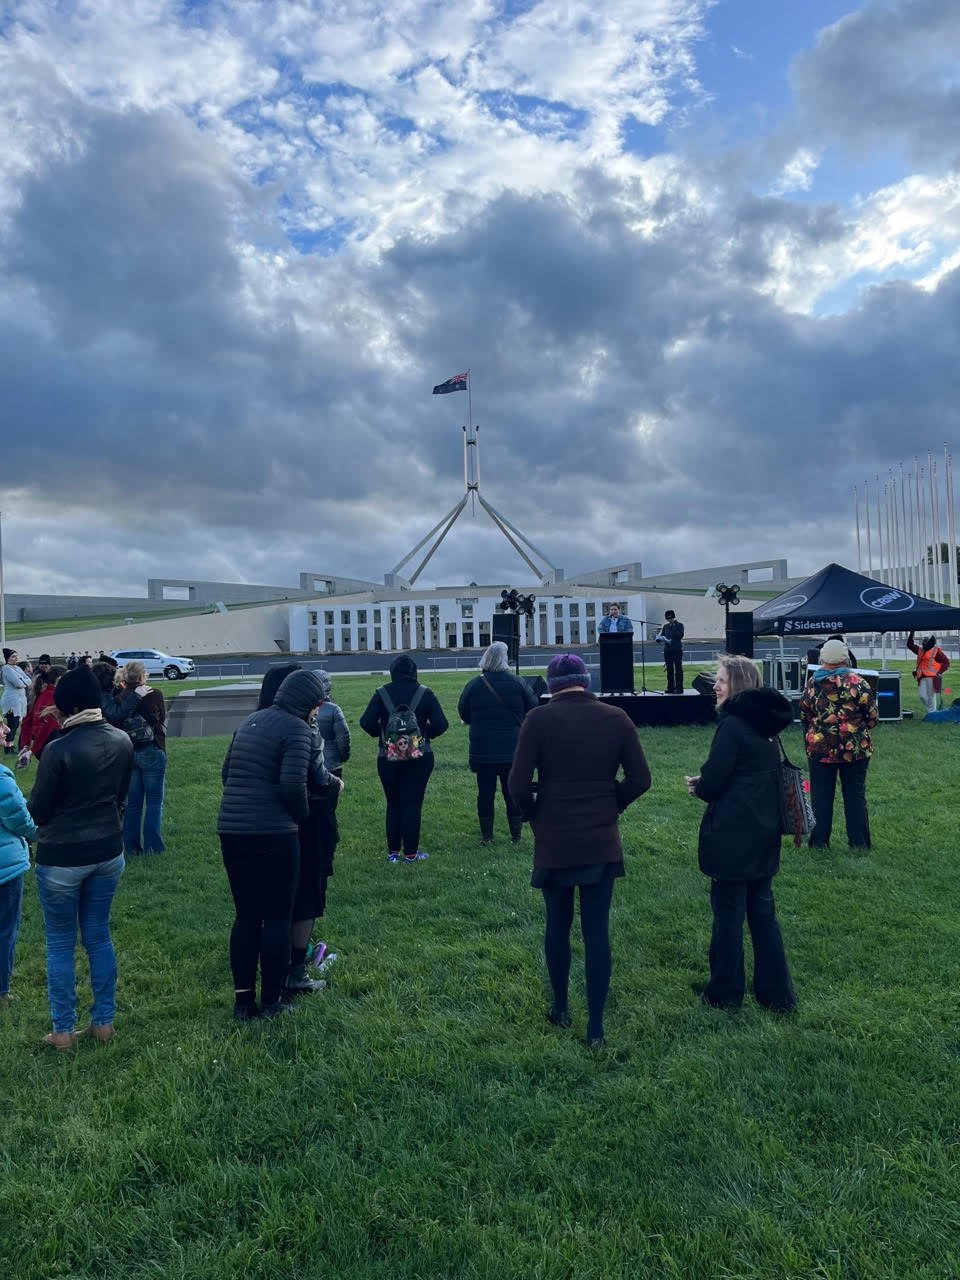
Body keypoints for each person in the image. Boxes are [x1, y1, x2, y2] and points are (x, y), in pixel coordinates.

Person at [508, 653, 651, 1048]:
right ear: (585, 681)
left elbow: (517, 784)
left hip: (555, 835)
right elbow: (641, 778)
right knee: (596, 930)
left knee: (557, 924)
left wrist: (534, 816)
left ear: (552, 686)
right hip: (601, 838)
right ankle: (596, 1028)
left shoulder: (538, 720)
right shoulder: (616, 718)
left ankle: (560, 1007)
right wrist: (613, 802)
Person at [29, 665, 133, 1050]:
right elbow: (122, 796)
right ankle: (103, 1023)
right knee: (98, 936)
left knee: (60, 943)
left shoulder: (58, 749)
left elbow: (39, 810)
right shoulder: (122, 740)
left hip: (61, 858)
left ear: (65, 705)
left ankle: (62, 1032)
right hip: (108, 850)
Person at [685, 655, 796, 1012]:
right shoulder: (766, 726)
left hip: (733, 834)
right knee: (763, 915)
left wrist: (699, 787)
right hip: (763, 831)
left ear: (737, 686)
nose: (714, 686)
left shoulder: (733, 725)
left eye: (720, 680)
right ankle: (777, 995)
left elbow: (716, 779)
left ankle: (724, 993)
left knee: (728, 917)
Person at [218, 668, 327, 1020]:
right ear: (309, 703)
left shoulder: (251, 720)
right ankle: (273, 1001)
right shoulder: (297, 729)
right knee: (278, 917)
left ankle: (243, 1002)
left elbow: (226, 773)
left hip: (232, 830)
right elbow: (292, 785)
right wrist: (301, 817)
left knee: (247, 915)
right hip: (274, 833)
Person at [254, 666, 343, 999]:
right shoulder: (302, 729)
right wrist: (336, 786)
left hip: (261, 825)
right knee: (306, 896)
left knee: (272, 901)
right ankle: (295, 968)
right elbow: (313, 779)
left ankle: (273, 965)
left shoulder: (257, 726)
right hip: (305, 821)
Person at [360, 655, 448, 863]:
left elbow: (366, 722)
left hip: (387, 757)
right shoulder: (425, 693)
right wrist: (423, 737)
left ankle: (393, 853)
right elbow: (441, 724)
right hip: (420, 758)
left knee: (393, 804)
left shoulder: (382, 693)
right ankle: (410, 853)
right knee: (412, 804)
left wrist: (382, 736)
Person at [799, 638, 878, 851]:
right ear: (846, 659)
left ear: (823, 659)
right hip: (855, 750)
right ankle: (859, 843)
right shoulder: (859, 683)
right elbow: (872, 718)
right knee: (855, 794)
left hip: (820, 748)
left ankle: (818, 842)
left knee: (821, 795)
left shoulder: (813, 684)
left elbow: (805, 712)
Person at [458, 641, 536, 844]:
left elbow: (463, 712)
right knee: (511, 793)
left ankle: (487, 836)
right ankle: (516, 836)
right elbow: (533, 707)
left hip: (482, 749)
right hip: (511, 749)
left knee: (485, 793)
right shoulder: (518, 682)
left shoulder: (474, 685)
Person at [0, 718, 38, 1004]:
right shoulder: (1, 779)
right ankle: (1, 988)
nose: (5, 731)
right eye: (0, 726)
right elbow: (20, 820)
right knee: (5, 929)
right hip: (5, 868)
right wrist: (39, 833)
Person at [115, 661, 168, 856]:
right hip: (152, 748)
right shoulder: (154, 694)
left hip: (129, 751)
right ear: (142, 676)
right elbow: (161, 718)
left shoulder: (121, 696)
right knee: (154, 801)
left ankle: (131, 846)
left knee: (133, 803)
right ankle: (153, 846)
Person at [18, 664, 66, 763]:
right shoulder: (54, 697)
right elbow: (48, 727)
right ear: (60, 679)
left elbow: (26, 722)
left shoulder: (40, 695)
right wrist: (32, 750)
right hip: (50, 744)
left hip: (42, 744)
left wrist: (25, 745)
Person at [906, 631, 951, 714]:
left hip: (932, 677)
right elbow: (910, 645)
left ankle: (932, 713)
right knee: (922, 696)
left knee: (931, 696)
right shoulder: (920, 649)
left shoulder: (936, 651)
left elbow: (946, 662)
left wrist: (940, 672)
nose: (924, 643)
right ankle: (932, 712)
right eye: (924, 641)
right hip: (921, 676)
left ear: (931, 642)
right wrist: (912, 633)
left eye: (926, 641)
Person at [1, 649, 32, 755]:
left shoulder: (18, 668)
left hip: (20, 700)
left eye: (16, 656)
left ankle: (10, 745)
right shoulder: (6, 668)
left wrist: (24, 681)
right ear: (7, 658)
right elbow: (18, 683)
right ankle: (8, 747)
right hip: (11, 700)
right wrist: (24, 681)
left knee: (16, 723)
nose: (15, 658)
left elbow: (29, 680)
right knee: (12, 724)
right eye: (13, 656)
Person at [656, 610, 685, 694]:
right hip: (667, 650)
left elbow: (680, 635)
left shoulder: (679, 625)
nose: (669, 620)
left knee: (678, 669)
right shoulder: (665, 626)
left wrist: (674, 626)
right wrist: (659, 638)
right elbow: (663, 635)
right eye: (668, 618)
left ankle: (679, 688)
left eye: (671, 618)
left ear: (673, 617)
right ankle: (670, 687)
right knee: (669, 669)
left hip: (677, 649)